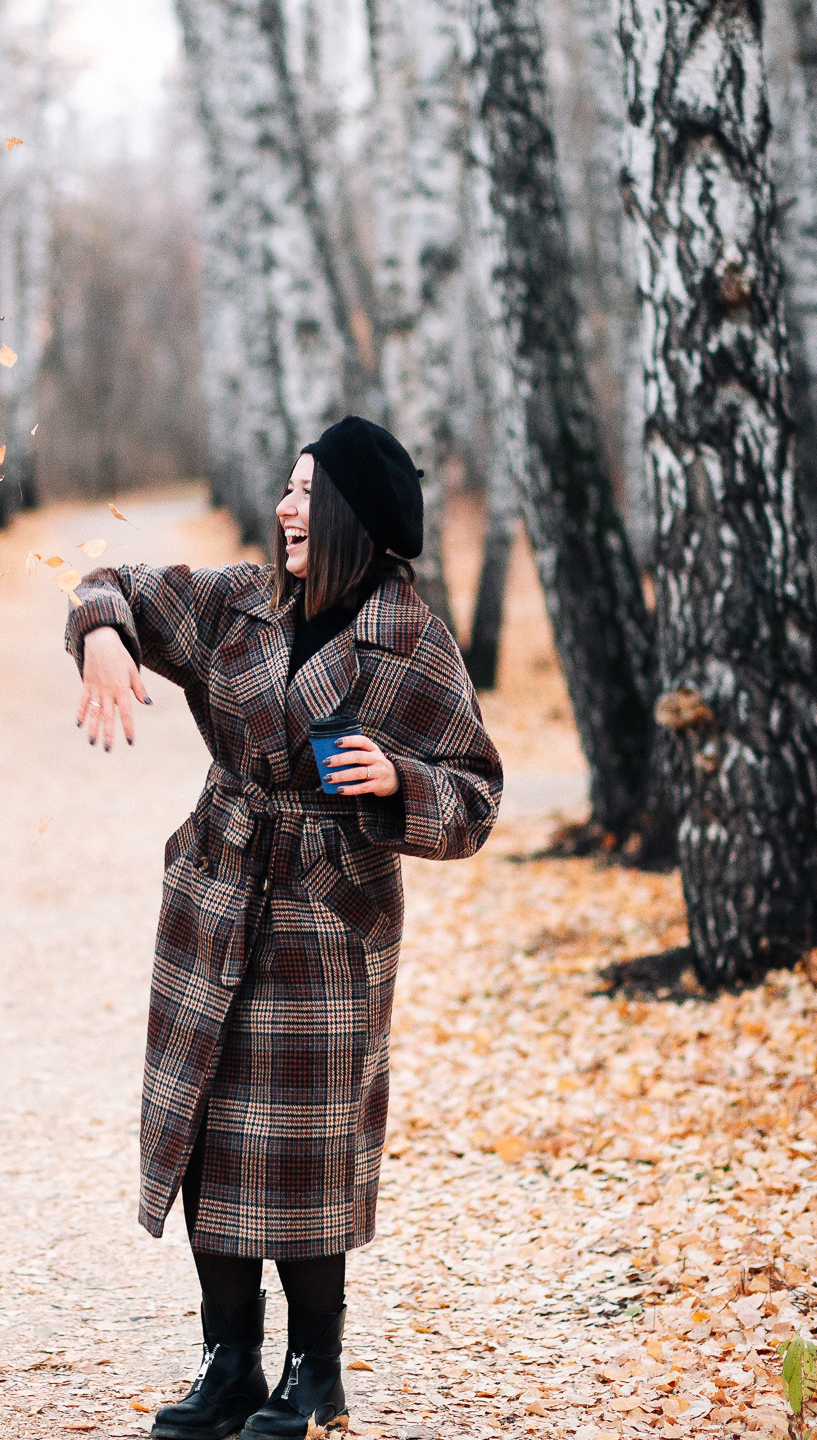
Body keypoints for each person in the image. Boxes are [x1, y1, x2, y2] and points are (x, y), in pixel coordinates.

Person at [66, 416, 501, 1439]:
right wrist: (101, 639)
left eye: (307, 492)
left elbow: (476, 796)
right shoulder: (239, 603)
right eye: (289, 487)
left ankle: (316, 1371)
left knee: (306, 1143)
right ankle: (229, 1363)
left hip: (329, 911)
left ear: (354, 514)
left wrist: (401, 780)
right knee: (209, 1128)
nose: (284, 507)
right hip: (217, 885)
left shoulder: (412, 642)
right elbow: (109, 582)